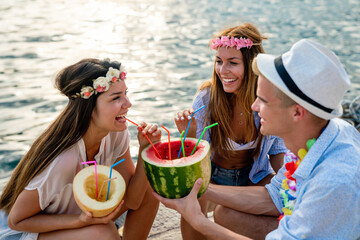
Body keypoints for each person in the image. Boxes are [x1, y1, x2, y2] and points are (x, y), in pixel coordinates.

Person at [158, 39, 360, 239]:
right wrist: (200, 189)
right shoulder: (317, 136)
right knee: (224, 213)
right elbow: (275, 197)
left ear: (297, 112)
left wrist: (199, 221)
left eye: (262, 100)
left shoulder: (334, 182)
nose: (254, 106)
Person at [0, 59, 160, 240]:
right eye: (116, 97)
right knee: (104, 233)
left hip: (85, 218)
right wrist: (80, 221)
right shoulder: (64, 159)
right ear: (89, 107)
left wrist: (145, 150)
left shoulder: (116, 134)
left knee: (150, 186)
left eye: (125, 94)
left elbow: (133, 199)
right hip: (32, 232)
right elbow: (16, 220)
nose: (128, 103)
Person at [175, 23, 287, 239]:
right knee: (196, 195)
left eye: (232, 63)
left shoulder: (265, 99)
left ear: (251, 66)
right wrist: (188, 134)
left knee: (283, 193)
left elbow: (277, 151)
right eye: (219, 61)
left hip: (253, 175)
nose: (223, 70)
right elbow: (195, 159)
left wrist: (289, 185)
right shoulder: (206, 99)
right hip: (214, 176)